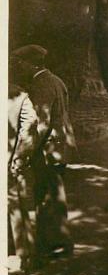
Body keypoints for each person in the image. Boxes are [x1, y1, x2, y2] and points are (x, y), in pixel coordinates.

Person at [10, 45, 76, 257]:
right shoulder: (56, 80)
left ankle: (50, 245)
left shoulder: (41, 84)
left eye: (21, 64)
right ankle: (60, 241)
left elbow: (41, 124)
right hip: (60, 145)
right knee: (55, 194)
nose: (19, 68)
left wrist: (26, 151)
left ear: (32, 64)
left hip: (49, 148)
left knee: (46, 195)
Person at [8, 83, 39, 270]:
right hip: (12, 160)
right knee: (21, 204)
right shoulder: (20, 95)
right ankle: (25, 256)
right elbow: (30, 127)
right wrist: (19, 157)